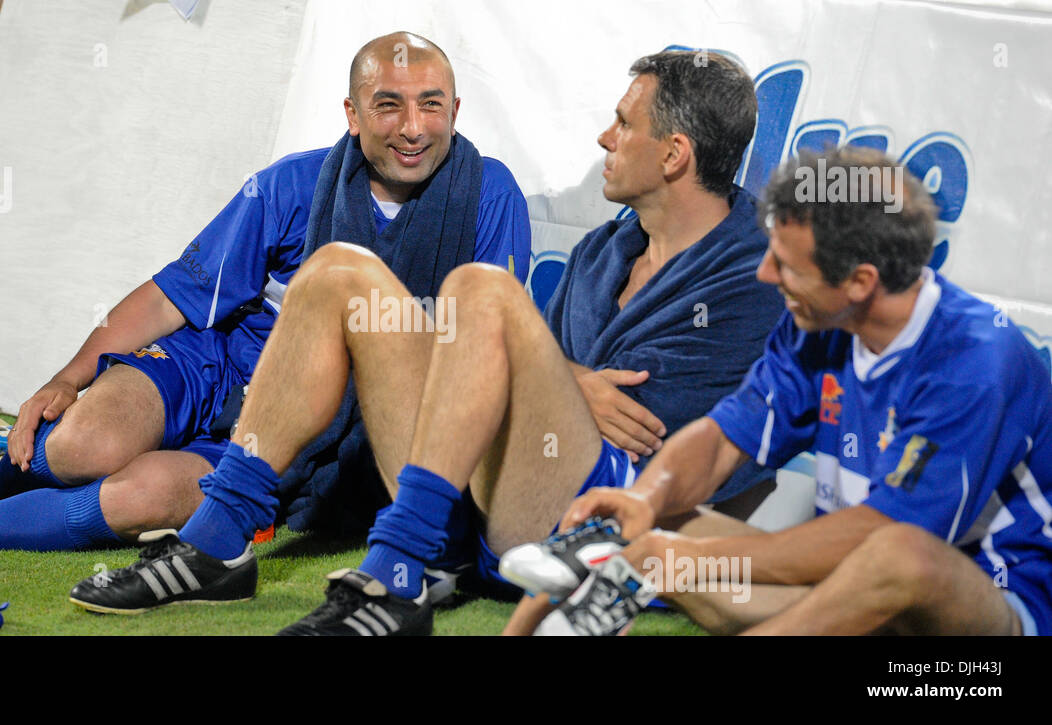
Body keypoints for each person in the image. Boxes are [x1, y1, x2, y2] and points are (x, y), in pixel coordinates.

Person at [66, 50, 785, 636]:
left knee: (480, 290)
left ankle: (396, 574)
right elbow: (549, 391)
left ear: (674, 155)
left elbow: (653, 443)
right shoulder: (608, 248)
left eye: (623, 124)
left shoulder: (749, 273)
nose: (604, 138)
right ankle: (219, 541)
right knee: (335, 272)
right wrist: (564, 376)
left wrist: (553, 381)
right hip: (471, 500)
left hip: (579, 528)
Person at [0, 31, 530, 553]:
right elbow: (173, 293)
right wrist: (68, 377)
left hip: (309, 428)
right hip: (223, 359)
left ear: (457, 112)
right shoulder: (293, 182)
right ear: (353, 114)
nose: (413, 126)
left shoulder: (490, 196)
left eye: (432, 103)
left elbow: (485, 353)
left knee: (134, 498)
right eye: (389, 104)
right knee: (77, 445)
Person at [512, 146, 1051, 636]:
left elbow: (889, 540)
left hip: (978, 626)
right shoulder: (816, 321)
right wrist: (644, 502)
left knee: (903, 554)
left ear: (860, 283)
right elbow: (723, 439)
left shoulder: (976, 362)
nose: (766, 274)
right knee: (661, 513)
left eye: (786, 265)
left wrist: (678, 562)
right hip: (846, 596)